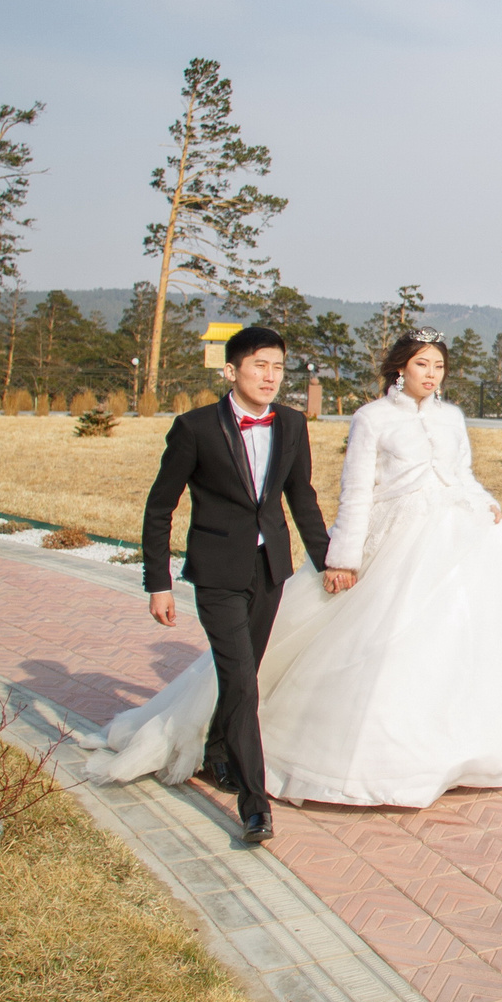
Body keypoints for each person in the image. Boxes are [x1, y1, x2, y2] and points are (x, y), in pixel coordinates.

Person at [82, 330, 502, 812]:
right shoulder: (373, 419)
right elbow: (355, 492)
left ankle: (443, 749)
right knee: (359, 643)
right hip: (389, 540)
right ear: (401, 367)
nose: (431, 374)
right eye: (422, 364)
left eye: (438, 366)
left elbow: (461, 475)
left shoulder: (451, 419)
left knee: (437, 643)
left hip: (444, 542)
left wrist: (485, 505)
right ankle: (271, 765)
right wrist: (338, 558)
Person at [131, 326, 336, 843]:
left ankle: (219, 748)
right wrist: (157, 583)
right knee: (243, 681)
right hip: (217, 575)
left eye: (278, 367)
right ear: (231, 371)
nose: (270, 376)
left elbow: (302, 499)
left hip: (270, 574)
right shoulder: (194, 428)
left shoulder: (290, 424)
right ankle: (254, 803)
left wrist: (329, 561)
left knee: (245, 676)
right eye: (259, 365)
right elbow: (160, 508)